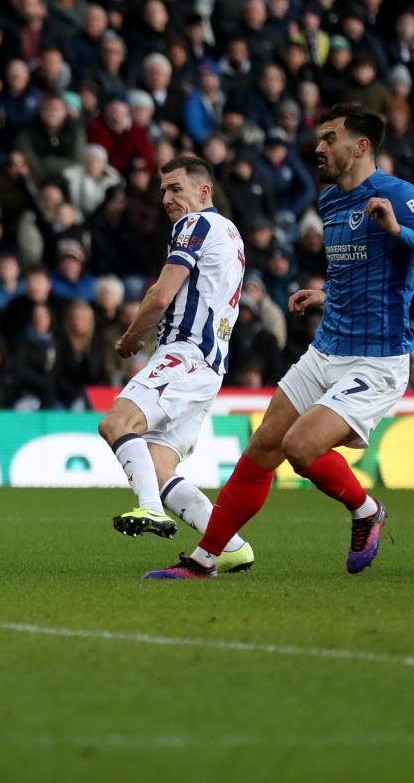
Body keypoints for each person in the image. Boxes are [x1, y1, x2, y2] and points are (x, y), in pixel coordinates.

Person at [147, 105, 400, 579]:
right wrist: (325, 295)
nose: (318, 147)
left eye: (330, 138)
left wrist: (398, 230)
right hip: (326, 349)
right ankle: (204, 560)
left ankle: (367, 511)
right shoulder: (331, 201)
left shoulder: (398, 195)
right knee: (264, 446)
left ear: (361, 146)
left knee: (299, 447)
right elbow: (362, 273)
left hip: (376, 358)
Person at [96, 154, 254, 572]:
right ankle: (232, 546)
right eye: (163, 190)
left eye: (175, 188)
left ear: (204, 191)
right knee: (159, 466)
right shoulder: (232, 234)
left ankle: (150, 509)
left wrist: (131, 337)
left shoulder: (195, 224)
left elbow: (161, 295)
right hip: (210, 366)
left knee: (116, 423)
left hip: (185, 354)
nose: (166, 198)